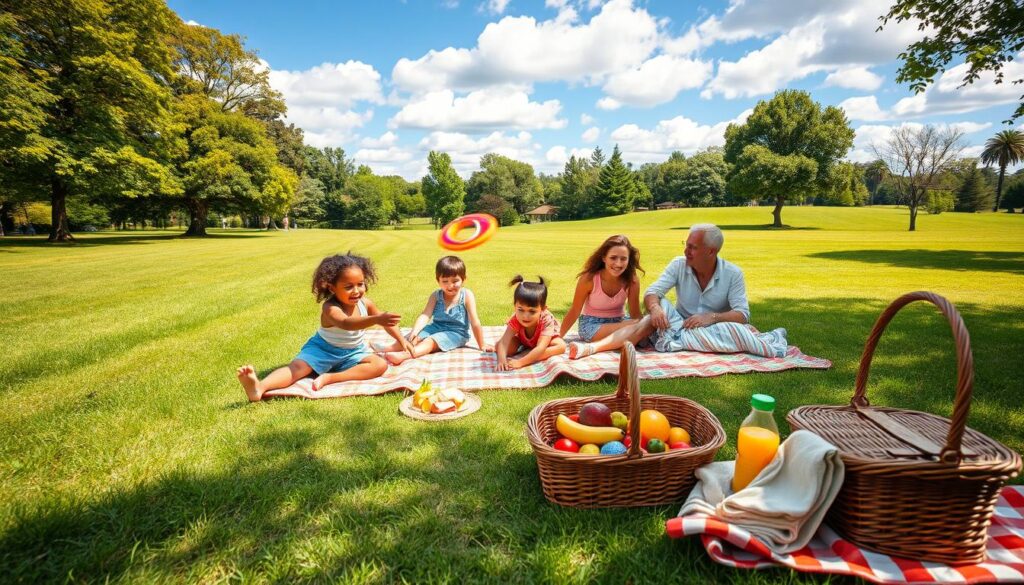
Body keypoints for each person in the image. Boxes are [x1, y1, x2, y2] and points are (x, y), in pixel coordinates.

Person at [568, 223, 787, 359]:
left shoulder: (733, 274)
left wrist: (710, 317)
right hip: (678, 324)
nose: (686, 250)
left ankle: (600, 347)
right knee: (654, 313)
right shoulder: (678, 264)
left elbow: (742, 314)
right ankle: (596, 348)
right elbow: (653, 293)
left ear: (711, 251)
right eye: (687, 244)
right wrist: (654, 309)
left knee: (736, 329)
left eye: (692, 247)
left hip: (714, 327)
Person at [236, 253, 413, 401]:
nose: (357, 291)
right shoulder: (330, 308)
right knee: (297, 369)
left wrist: (401, 340)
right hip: (322, 349)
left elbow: (388, 323)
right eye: (349, 287)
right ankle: (259, 387)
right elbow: (346, 323)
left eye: (360, 284)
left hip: (353, 351)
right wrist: (376, 319)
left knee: (379, 365)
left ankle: (330, 378)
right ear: (332, 287)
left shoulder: (365, 303)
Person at [378, 255, 492, 365]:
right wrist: (415, 331)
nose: (450, 285)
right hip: (435, 327)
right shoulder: (436, 295)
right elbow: (425, 315)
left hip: (457, 333)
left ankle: (405, 355)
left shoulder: (466, 295)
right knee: (413, 337)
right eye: (445, 281)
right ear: (438, 281)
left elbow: (475, 321)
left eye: (455, 281)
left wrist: (482, 344)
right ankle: (389, 348)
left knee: (430, 341)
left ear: (463, 279)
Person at [559, 234, 644, 344]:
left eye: (623, 259)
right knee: (629, 329)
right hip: (592, 325)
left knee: (646, 324)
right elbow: (575, 310)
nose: (618, 263)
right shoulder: (589, 279)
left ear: (629, 260)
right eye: (613, 258)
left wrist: (644, 327)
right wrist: (558, 337)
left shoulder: (632, 280)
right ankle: (613, 343)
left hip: (620, 321)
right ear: (604, 257)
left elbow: (635, 314)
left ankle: (607, 344)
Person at [496, 275, 566, 371]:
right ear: (515, 306)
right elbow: (504, 342)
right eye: (521, 309)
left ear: (543, 309)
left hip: (544, 340)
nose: (525, 316)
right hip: (522, 339)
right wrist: (501, 360)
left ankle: (532, 354)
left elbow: (541, 347)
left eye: (532, 311)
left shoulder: (546, 319)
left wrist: (521, 362)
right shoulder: (516, 318)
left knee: (561, 346)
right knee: (502, 348)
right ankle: (531, 351)